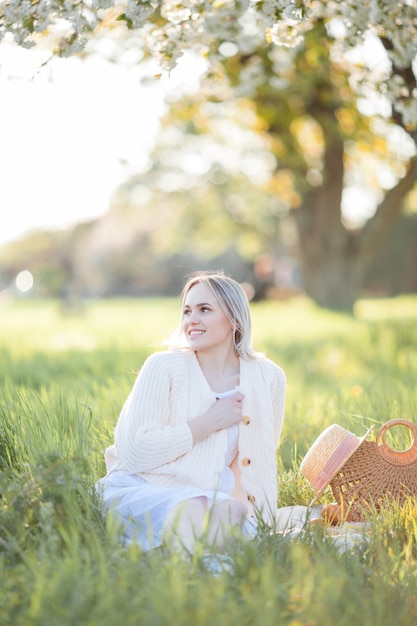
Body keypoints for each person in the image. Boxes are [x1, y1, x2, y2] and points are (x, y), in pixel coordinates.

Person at [97, 270, 287, 553]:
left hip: (213, 499)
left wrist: (255, 513)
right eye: (187, 311)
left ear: (234, 318)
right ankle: (193, 578)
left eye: (204, 309)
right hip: (141, 490)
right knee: (194, 509)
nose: (191, 320)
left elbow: (258, 457)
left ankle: (208, 572)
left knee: (230, 512)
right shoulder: (163, 366)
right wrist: (208, 422)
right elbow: (134, 452)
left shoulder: (268, 378)